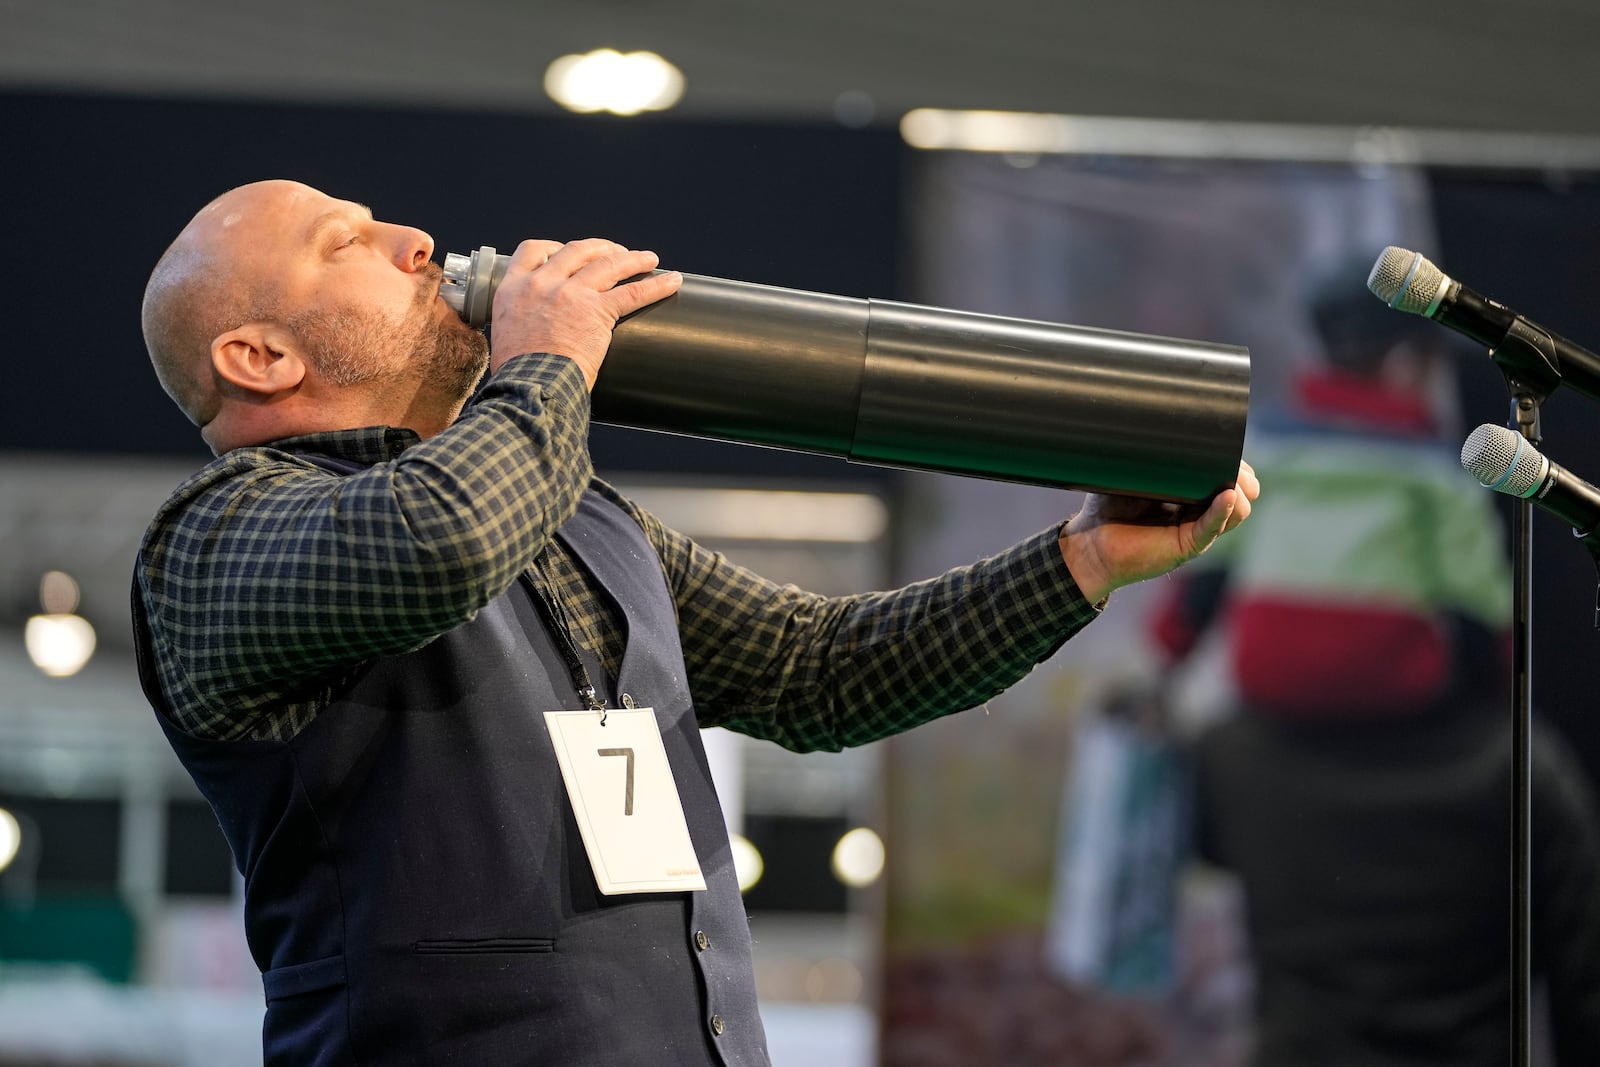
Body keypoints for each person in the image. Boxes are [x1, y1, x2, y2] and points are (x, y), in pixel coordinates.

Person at [132, 178, 1258, 1067]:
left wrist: (1082, 561)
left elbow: (822, 670)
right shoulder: (217, 534)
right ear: (259, 356)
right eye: (346, 241)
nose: (415, 239)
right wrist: (549, 364)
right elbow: (440, 542)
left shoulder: (576, 509)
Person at [1147, 256, 1600, 1065]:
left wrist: (1165, 662)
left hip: (1276, 725)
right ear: (1404, 363)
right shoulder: (1435, 471)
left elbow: (1203, 583)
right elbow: (1480, 614)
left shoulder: (1271, 455)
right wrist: (1489, 704)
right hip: (1414, 710)